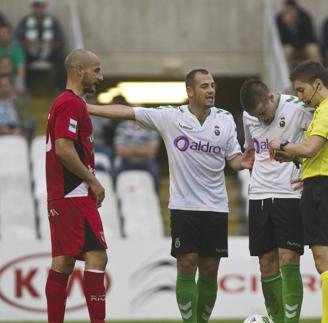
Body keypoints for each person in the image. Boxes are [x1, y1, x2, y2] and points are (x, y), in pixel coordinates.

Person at [86, 68, 253, 323]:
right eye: (205, 86)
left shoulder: (225, 119)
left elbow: (234, 160)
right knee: (186, 265)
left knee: (210, 270)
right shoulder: (170, 117)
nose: (211, 90)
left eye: (213, 86)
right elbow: (127, 112)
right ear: (190, 91)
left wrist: (246, 162)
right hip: (184, 206)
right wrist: (86, 108)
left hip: (216, 207)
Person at [269, 60, 328, 323]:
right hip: (327, 184)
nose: (300, 97)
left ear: (317, 84)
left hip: (321, 189)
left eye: (301, 90)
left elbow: (310, 149)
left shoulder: (327, 110)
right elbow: (313, 155)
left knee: (323, 261)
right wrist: (291, 158)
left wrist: (281, 143)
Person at [239, 79, 313, 323]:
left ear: (271, 97)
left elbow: (322, 142)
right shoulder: (248, 116)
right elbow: (251, 150)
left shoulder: (298, 108)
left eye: (263, 113)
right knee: (266, 264)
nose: (260, 119)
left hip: (290, 193)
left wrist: (309, 171)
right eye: (255, 116)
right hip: (259, 194)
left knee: (289, 259)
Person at [44, 48, 107, 323]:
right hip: (74, 193)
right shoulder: (71, 103)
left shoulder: (64, 102)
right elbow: (63, 148)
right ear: (79, 70)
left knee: (64, 262)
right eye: (96, 70)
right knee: (97, 258)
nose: (100, 77)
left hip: (62, 195)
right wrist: (93, 181)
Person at [15, 0, 66, 89]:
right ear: (33, 7)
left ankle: (60, 88)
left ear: (44, 7)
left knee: (62, 57)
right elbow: (18, 40)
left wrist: (50, 45)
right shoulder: (25, 21)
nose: (39, 8)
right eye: (36, 6)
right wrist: (29, 44)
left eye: (41, 6)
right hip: (30, 53)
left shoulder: (53, 21)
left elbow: (61, 41)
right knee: (21, 57)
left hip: (49, 52)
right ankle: (24, 89)